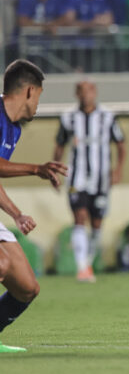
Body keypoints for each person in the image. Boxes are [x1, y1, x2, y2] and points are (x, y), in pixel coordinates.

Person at [0, 59, 68, 353]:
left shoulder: (13, 130)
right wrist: (35, 168)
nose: (38, 104)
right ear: (29, 91)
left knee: (27, 287)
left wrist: (16, 214)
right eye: (39, 96)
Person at [53, 80, 126, 283]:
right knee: (79, 216)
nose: (86, 95)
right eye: (81, 91)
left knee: (96, 223)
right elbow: (59, 145)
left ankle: (88, 263)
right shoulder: (68, 118)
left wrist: (118, 170)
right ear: (76, 94)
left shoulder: (107, 116)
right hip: (77, 177)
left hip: (101, 178)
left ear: (95, 92)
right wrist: (55, 170)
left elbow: (121, 144)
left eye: (89, 91)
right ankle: (81, 268)